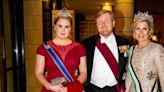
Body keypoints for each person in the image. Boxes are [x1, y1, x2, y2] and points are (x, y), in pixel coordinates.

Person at [35, 8, 87, 92]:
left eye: (67, 27)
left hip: (72, 89)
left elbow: (84, 72)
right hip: (51, 88)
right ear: (54, 27)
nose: (63, 30)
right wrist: (49, 86)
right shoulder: (43, 47)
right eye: (60, 26)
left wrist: (72, 88)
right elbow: (38, 72)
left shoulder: (79, 47)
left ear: (70, 29)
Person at [82, 10, 131, 92]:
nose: (103, 24)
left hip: (115, 89)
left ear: (113, 23)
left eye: (107, 21)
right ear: (96, 25)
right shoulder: (86, 43)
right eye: (100, 22)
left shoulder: (125, 43)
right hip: (92, 89)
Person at [125, 11, 164, 92]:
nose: (140, 32)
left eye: (144, 29)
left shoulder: (157, 49)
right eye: (138, 28)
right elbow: (129, 77)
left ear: (149, 31)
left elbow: (163, 76)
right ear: (134, 31)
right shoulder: (131, 50)